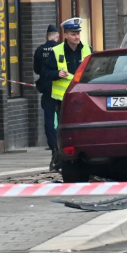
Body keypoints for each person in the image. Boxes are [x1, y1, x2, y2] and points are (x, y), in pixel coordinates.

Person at [41, 17, 92, 162]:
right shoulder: (56, 51)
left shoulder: (88, 49)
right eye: (73, 34)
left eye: (78, 34)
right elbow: (45, 72)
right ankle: (59, 156)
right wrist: (57, 73)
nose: (76, 37)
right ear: (65, 35)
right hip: (61, 99)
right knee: (61, 128)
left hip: (82, 97)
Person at [33, 24, 60, 157]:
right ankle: (62, 143)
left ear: (46, 36)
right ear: (57, 36)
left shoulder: (40, 50)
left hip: (46, 88)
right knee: (62, 117)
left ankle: (53, 144)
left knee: (48, 118)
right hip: (60, 89)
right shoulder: (60, 49)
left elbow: (37, 70)